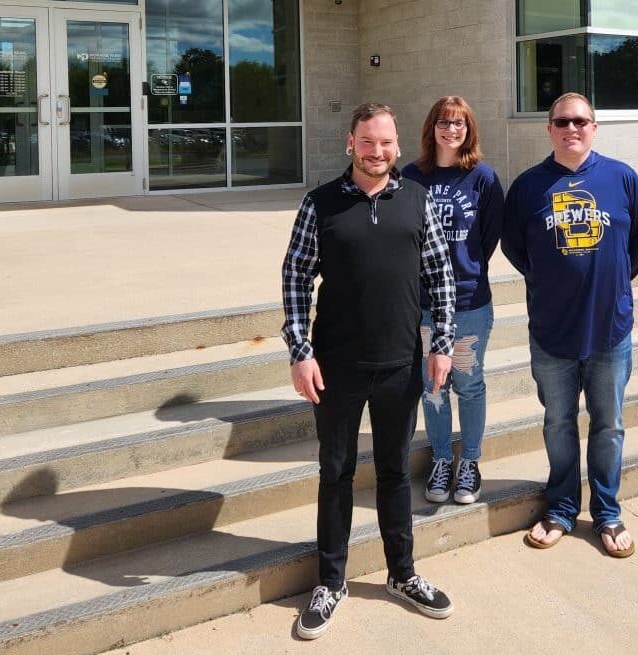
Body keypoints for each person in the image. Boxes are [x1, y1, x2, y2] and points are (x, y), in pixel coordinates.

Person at [281, 102, 457, 640]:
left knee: (394, 472)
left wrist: (442, 344)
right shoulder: (320, 204)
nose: (376, 151)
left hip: (399, 365)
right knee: (334, 473)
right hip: (335, 368)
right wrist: (300, 352)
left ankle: (402, 574)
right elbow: (295, 277)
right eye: (366, 141)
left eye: (384, 142)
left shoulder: (419, 201)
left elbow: (440, 275)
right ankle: (331, 582)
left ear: (397, 146)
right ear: (350, 143)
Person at [501, 92, 638, 557]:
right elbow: (514, 247)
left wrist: (613, 281)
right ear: (549, 128)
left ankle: (607, 512)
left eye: (581, 121)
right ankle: (562, 508)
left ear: (594, 128)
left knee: (609, 425)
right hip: (552, 331)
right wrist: (551, 280)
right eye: (562, 121)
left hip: (610, 330)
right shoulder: (528, 186)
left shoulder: (621, 178)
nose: (572, 128)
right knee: (558, 423)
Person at [402, 96, 504, 505]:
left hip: (469, 302)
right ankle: (442, 459)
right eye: (444, 122)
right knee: (433, 384)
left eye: (459, 123)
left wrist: (464, 268)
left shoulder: (482, 178)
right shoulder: (412, 176)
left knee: (469, 384)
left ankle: (470, 462)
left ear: (469, 129)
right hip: (424, 303)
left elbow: (489, 237)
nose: (451, 129)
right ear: (432, 128)